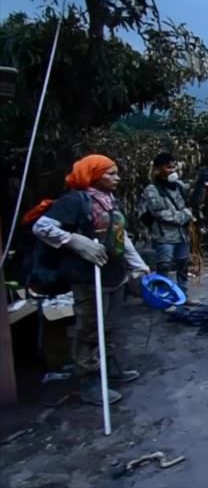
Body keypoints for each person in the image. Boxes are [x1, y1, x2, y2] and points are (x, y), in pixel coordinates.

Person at [32, 154, 149, 405]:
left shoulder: (109, 201)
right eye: (111, 173)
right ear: (94, 174)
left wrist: (138, 264)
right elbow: (41, 227)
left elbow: (121, 236)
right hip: (87, 275)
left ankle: (109, 367)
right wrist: (73, 240)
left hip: (113, 273)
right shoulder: (75, 201)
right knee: (89, 328)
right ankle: (89, 380)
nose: (117, 178)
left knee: (109, 324)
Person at [137, 152, 208, 294]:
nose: (172, 170)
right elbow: (161, 214)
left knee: (183, 264)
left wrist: (201, 183)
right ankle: (164, 297)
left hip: (182, 235)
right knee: (164, 267)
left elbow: (193, 199)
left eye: (173, 167)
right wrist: (186, 214)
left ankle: (183, 294)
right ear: (157, 169)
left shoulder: (178, 186)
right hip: (164, 236)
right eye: (168, 167)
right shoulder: (152, 190)